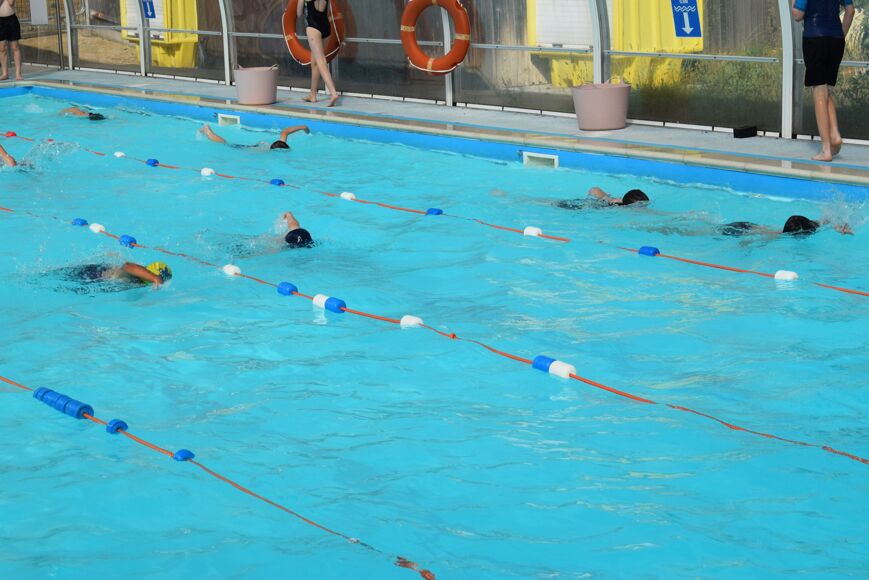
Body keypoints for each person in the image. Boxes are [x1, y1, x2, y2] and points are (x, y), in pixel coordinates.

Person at [792, 0, 856, 161]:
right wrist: (840, 35)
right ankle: (834, 135)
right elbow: (850, 11)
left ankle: (826, 150)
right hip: (835, 40)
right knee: (824, 88)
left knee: (819, 92)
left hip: (815, 38)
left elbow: (797, 15)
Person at [299, 0, 340, 107]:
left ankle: (333, 93)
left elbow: (298, 13)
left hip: (313, 28)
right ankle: (312, 95)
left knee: (321, 61)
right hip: (325, 27)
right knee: (315, 63)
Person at [719, 214, 852, 237]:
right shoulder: (779, 236)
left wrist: (840, 227)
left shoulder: (812, 226)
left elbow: (830, 218)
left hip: (749, 225)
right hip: (740, 229)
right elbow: (754, 240)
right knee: (713, 231)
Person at [200, 124, 309, 150]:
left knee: (226, 143)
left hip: (256, 145)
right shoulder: (267, 152)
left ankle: (208, 131)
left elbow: (285, 132)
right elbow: (285, 132)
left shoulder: (278, 145)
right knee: (225, 143)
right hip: (245, 148)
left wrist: (304, 127)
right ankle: (208, 131)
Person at [69, 261, 172, 286]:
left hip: (92, 278)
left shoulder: (139, 281)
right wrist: (155, 279)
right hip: (90, 274)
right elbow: (127, 266)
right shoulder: (136, 275)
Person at [557, 187, 650, 210]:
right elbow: (594, 190)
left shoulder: (621, 204)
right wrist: (607, 198)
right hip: (580, 207)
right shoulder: (615, 205)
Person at [0, 0, 21, 81]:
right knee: (2, 49)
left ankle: (18, 73)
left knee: (15, 47)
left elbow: (11, 3)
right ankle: (5, 73)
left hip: (11, 20)